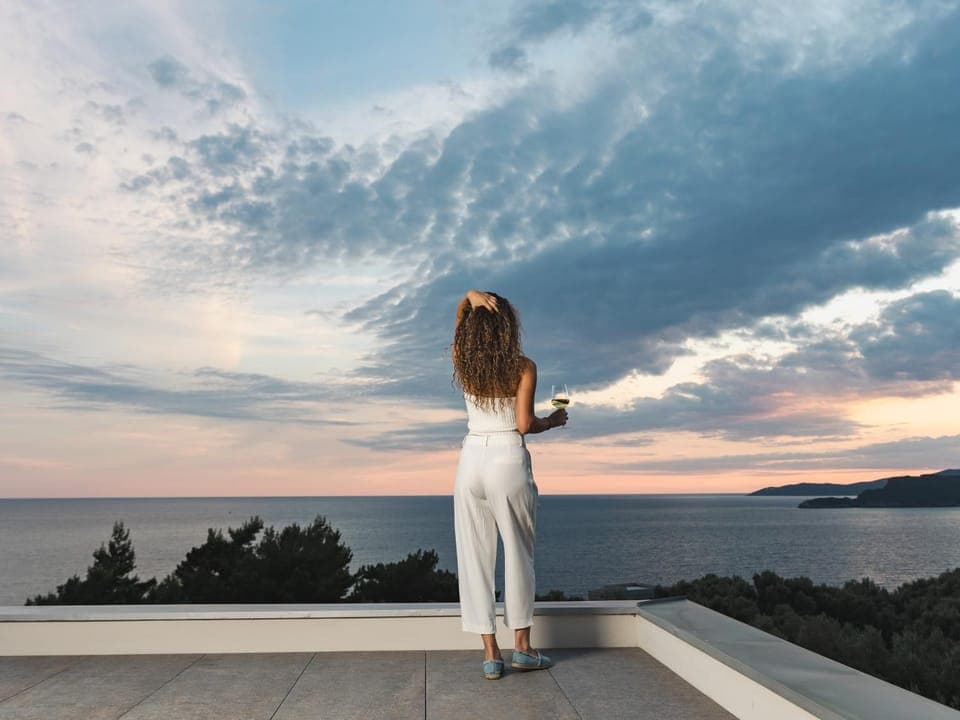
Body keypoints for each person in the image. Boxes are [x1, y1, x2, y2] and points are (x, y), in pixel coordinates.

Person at [450, 288, 568, 680]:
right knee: (519, 553)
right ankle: (522, 648)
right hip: (506, 456)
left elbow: (457, 324)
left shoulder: (462, 360)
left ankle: (490, 655)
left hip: (471, 460)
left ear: (472, 329)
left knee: (474, 556)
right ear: (508, 328)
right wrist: (551, 422)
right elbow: (523, 425)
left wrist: (469, 297)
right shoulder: (523, 366)